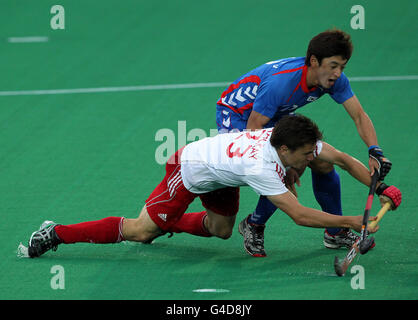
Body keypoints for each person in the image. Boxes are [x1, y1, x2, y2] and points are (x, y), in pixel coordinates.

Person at [23, 115, 401, 260]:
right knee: (140, 232)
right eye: (302, 156)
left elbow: (340, 159)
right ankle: (55, 233)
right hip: (189, 168)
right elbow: (299, 216)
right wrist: (352, 219)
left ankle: (162, 223)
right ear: (284, 150)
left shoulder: (294, 139)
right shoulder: (262, 167)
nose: (308, 160)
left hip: (221, 173)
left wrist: (380, 187)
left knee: (220, 231)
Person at [215, 29, 393, 257]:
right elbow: (253, 130)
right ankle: (254, 224)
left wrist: (374, 150)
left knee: (321, 162)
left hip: (276, 113)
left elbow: (359, 115)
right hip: (238, 115)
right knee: (275, 166)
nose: (338, 73)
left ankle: (335, 232)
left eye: (342, 67)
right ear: (314, 61)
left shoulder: (332, 79)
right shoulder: (281, 84)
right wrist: (286, 165)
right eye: (333, 65)